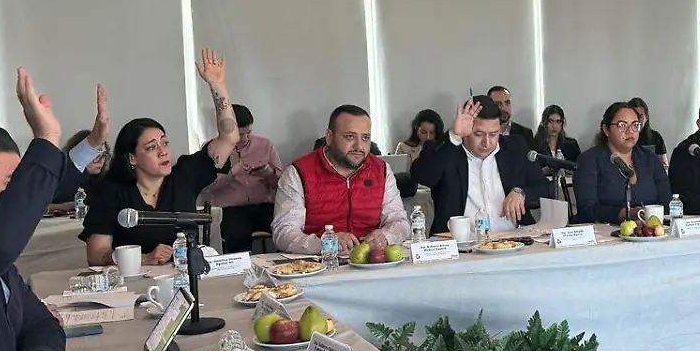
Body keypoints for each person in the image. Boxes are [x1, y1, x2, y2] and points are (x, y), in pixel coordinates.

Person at [0, 69, 106, 351]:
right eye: (9, 183)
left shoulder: (1, 271)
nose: (16, 197)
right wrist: (47, 139)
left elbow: (42, 323)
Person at [81, 49, 238, 266]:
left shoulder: (184, 174)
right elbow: (96, 255)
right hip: (133, 281)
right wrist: (144, 259)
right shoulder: (111, 190)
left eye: (164, 143)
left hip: (184, 277)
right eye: (151, 147)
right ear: (132, 158)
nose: (163, 151)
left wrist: (217, 86)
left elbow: (229, 137)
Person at [272, 105, 410, 254]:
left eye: (365, 138)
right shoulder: (298, 173)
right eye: (350, 136)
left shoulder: (381, 170)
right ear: (329, 137)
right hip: (318, 262)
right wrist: (325, 244)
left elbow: (400, 222)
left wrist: (386, 237)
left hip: (372, 259)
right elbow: (284, 232)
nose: (359, 146)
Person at [412, 96, 549, 235]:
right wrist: (454, 136)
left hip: (513, 238)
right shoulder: (448, 151)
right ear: (466, 130)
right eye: (478, 134)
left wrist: (521, 192)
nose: (487, 142)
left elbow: (543, 187)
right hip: (460, 241)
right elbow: (421, 175)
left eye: (493, 134)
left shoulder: (515, 147)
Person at [200, 104, 283, 254]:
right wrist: (231, 174)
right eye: (240, 134)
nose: (245, 138)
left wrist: (269, 174)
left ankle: (288, 265)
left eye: (249, 132)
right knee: (237, 234)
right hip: (231, 210)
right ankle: (241, 267)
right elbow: (205, 187)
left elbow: (282, 184)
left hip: (263, 206)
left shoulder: (265, 145)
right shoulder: (212, 149)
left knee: (286, 227)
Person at [574, 102, 673, 224]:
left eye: (635, 125)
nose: (630, 131)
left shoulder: (650, 158)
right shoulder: (589, 160)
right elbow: (587, 209)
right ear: (606, 130)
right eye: (622, 125)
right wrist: (626, 214)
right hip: (605, 231)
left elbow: (666, 201)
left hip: (649, 228)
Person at [627, 97, 668, 162]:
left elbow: (664, 164)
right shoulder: (621, 137)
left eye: (640, 116)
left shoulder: (655, 137)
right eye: (634, 115)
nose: (637, 119)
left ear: (646, 118)